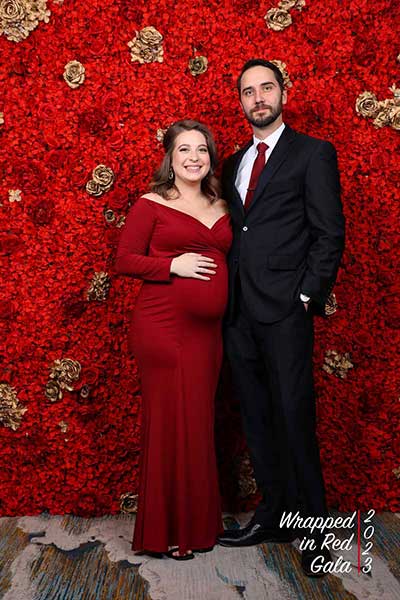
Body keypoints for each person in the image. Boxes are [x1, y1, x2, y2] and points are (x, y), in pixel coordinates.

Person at [217, 59, 345, 577]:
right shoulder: (231, 164)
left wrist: (307, 298)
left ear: (283, 93)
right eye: (249, 92)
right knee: (256, 418)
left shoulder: (313, 153)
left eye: (266, 87)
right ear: (242, 102)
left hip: (286, 311)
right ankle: (272, 514)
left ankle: (318, 536)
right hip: (237, 313)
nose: (258, 98)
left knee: (295, 419)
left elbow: (329, 231)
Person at [115, 120, 231, 560]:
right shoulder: (151, 203)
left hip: (209, 334)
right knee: (168, 424)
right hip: (162, 325)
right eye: (184, 150)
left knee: (198, 423)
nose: (193, 157)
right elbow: (124, 259)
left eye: (201, 149)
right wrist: (171, 267)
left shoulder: (222, 204)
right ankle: (165, 533)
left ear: (211, 157)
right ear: (170, 157)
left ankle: (197, 528)